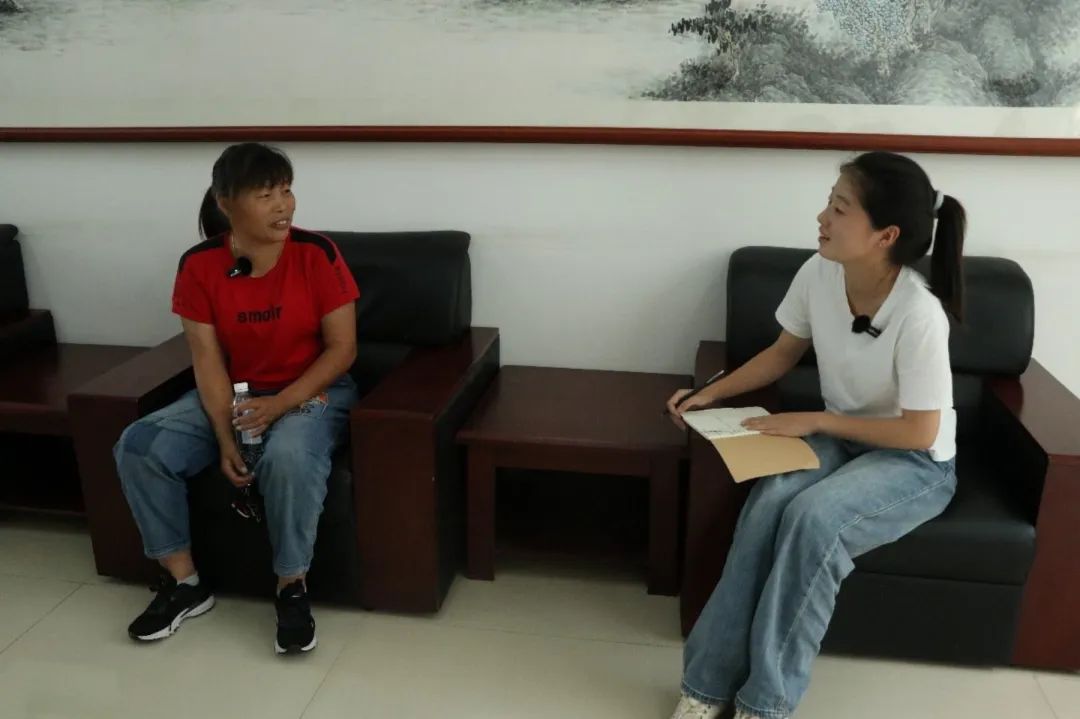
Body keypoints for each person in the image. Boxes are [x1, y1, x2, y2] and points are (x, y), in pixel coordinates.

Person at [666, 151, 964, 719]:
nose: (822, 218)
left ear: (885, 235)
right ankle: (705, 687)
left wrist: (818, 420)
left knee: (814, 518)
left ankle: (765, 704)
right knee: (768, 502)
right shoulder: (819, 271)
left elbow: (919, 429)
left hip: (914, 460)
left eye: (840, 209)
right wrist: (709, 393)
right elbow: (783, 353)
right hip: (845, 441)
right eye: (830, 203)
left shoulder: (919, 313)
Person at [113, 142, 360, 655]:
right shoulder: (199, 265)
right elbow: (206, 359)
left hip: (314, 388)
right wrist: (225, 435)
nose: (283, 205)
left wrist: (280, 405)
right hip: (239, 392)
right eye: (265, 195)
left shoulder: (317, 254)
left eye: (286, 191)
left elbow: (343, 350)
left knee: (288, 456)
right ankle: (184, 583)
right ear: (225, 203)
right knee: (140, 445)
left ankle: (291, 587)